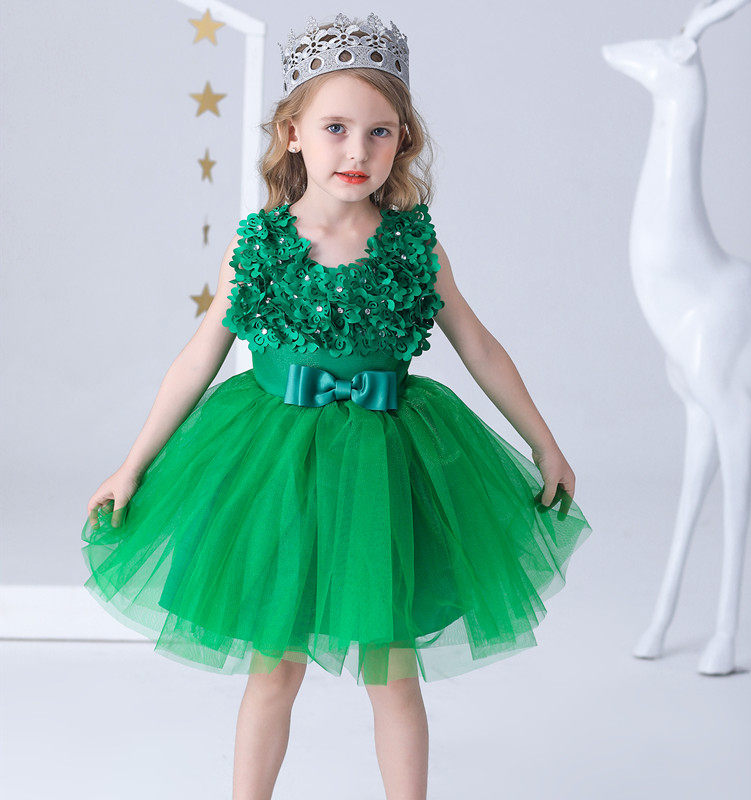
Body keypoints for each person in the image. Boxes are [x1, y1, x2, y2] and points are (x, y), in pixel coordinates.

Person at [82, 12, 593, 800]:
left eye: (379, 132)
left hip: (386, 472)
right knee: (274, 667)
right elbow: (197, 359)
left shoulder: (415, 246)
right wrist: (132, 465)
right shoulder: (257, 246)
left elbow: (480, 347)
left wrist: (544, 443)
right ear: (292, 135)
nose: (357, 151)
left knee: (392, 673)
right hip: (276, 471)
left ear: (402, 142)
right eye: (335, 128)